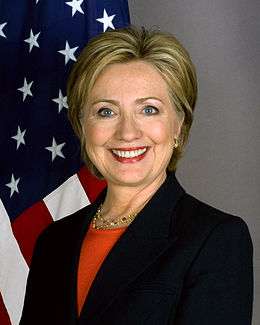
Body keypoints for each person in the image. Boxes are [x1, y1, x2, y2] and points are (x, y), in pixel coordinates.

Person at [20, 26, 253, 325]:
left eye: (149, 110)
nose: (128, 132)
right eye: (106, 112)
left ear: (178, 126)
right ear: (82, 125)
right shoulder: (54, 241)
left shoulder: (215, 239)